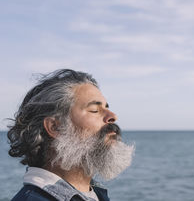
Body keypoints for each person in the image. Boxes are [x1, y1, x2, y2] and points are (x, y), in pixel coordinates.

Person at [7, 69, 134, 201]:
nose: (113, 116)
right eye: (94, 110)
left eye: (107, 108)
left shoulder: (95, 194)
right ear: (55, 127)